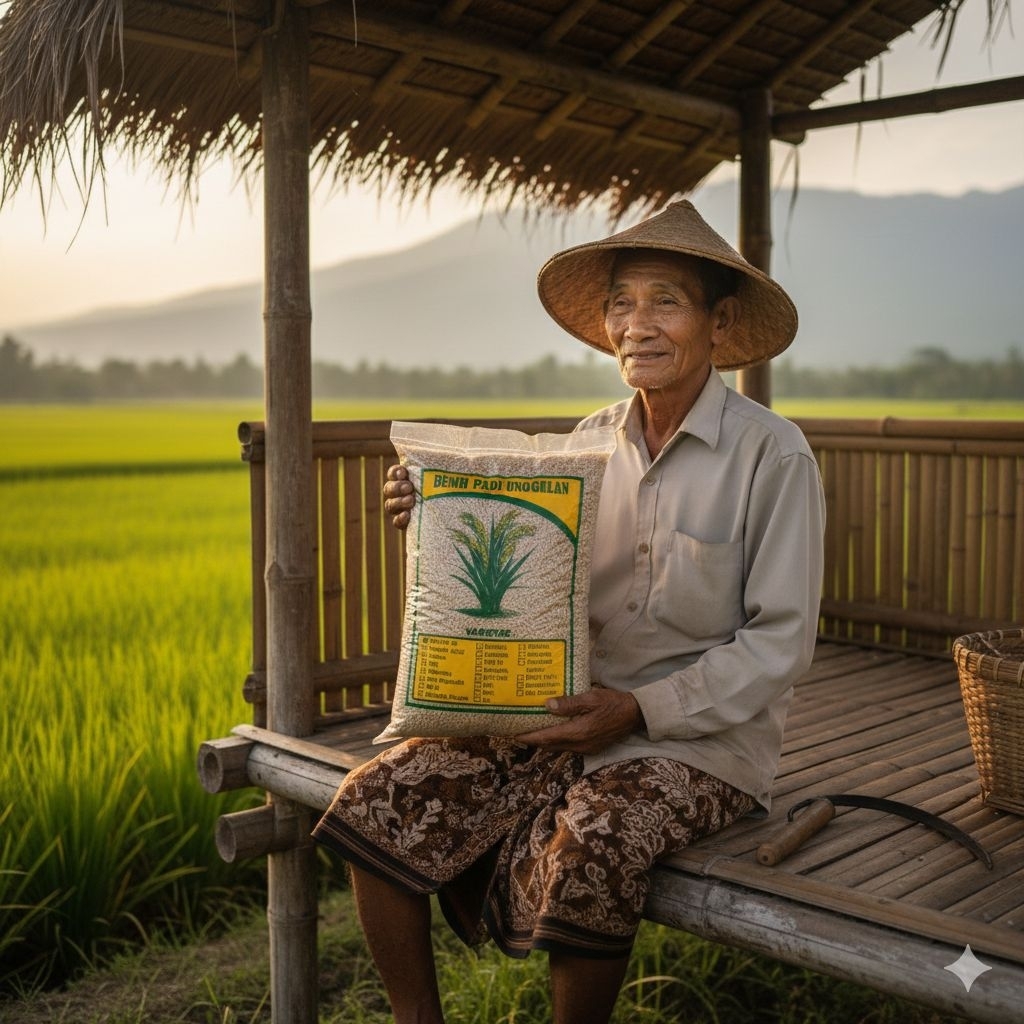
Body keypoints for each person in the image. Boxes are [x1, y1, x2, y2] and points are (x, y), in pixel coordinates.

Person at [312, 200, 826, 1024]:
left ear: (719, 323)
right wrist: (437, 512)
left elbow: (782, 643)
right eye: (622, 302)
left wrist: (638, 709)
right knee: (379, 792)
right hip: (563, 712)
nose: (637, 324)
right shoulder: (587, 446)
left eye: (666, 301)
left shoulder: (773, 454)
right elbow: (524, 558)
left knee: (596, 838)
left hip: (704, 743)